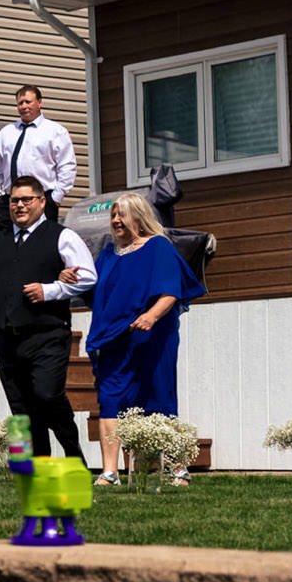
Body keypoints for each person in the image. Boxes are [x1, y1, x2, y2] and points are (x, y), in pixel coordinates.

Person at [0, 176, 98, 463]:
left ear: (42, 201)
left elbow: (87, 276)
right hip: (7, 337)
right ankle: (34, 468)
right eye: (14, 201)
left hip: (47, 334)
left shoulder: (62, 236)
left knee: (47, 396)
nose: (20, 205)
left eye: (26, 199)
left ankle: (74, 456)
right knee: (20, 409)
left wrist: (49, 290)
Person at [77, 191, 206, 486]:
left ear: (139, 217)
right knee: (109, 400)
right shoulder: (108, 254)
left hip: (151, 336)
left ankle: (178, 469)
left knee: (159, 396)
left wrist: (151, 316)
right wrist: (74, 278)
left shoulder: (158, 247)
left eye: (122, 214)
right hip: (113, 339)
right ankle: (110, 472)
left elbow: (171, 290)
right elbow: (96, 292)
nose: (116, 220)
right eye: (113, 215)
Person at [0, 85, 77, 225]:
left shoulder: (55, 131)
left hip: (42, 201)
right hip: (10, 202)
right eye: (20, 103)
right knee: (7, 244)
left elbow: (67, 166)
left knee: (40, 244)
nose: (24, 106)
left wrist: (56, 197)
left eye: (28, 102)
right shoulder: (6, 133)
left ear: (40, 103)